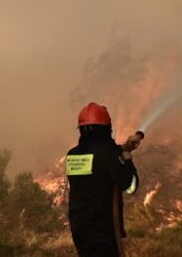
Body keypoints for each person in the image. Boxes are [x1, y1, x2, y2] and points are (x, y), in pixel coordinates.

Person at [66, 102, 142, 257]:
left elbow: (97, 161)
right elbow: (131, 187)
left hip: (80, 231)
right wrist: (127, 160)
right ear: (106, 128)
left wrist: (122, 149)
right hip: (105, 234)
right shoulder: (109, 154)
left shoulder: (72, 155)